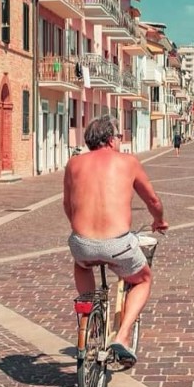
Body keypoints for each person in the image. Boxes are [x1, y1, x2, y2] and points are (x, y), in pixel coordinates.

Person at [64, 115, 168, 368]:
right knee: (143, 279)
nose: (121, 141)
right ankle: (122, 337)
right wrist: (159, 221)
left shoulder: (73, 164)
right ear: (110, 139)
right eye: (119, 137)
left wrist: (81, 231)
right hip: (118, 244)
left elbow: (68, 205)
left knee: (81, 264)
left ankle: (88, 311)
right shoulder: (128, 162)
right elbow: (152, 201)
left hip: (82, 242)